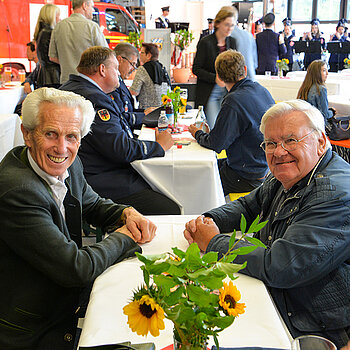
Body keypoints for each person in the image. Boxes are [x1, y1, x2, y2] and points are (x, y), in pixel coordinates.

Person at [184, 99, 350, 349]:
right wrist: (209, 220)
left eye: (291, 140)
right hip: (280, 295)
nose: (279, 151)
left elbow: (282, 266)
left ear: (321, 142)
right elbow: (248, 206)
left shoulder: (335, 193)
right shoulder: (293, 173)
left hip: (311, 321)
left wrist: (213, 241)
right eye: (270, 143)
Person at [0, 87, 157, 350]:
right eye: (50, 133)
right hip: (32, 328)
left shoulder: (68, 163)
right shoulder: (19, 191)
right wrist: (125, 237)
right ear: (27, 134)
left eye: (71, 136)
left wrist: (125, 213)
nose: (62, 147)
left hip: (62, 300)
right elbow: (77, 268)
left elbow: (92, 202)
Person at [60, 46, 180, 215]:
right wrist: (159, 146)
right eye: (115, 68)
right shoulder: (94, 98)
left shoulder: (74, 88)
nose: (118, 74)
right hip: (100, 179)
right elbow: (120, 149)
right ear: (102, 69)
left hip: (83, 174)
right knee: (172, 205)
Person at [189, 50, 273, 194]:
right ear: (245, 70)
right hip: (263, 167)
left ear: (219, 78)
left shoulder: (233, 101)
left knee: (197, 181)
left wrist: (197, 133)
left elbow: (216, 144)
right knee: (205, 166)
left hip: (246, 175)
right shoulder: (261, 90)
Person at [192, 6, 236, 129]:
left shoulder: (232, 42)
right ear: (218, 23)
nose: (229, 28)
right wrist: (215, 78)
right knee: (214, 127)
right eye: (227, 24)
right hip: (210, 93)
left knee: (226, 128)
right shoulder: (206, 42)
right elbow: (196, 68)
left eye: (232, 25)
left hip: (228, 93)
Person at [49, 0, 108, 84]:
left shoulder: (58, 26)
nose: (93, 10)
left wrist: (68, 62)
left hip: (66, 82)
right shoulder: (92, 27)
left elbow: (52, 57)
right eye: (92, 7)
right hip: (88, 82)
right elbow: (106, 56)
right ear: (84, 5)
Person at [113, 42, 155, 128]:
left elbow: (129, 111)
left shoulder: (120, 81)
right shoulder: (112, 84)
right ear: (119, 60)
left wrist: (146, 112)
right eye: (132, 64)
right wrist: (144, 114)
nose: (133, 69)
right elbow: (120, 117)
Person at [129, 43, 171, 110]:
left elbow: (134, 92)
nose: (140, 55)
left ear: (148, 55)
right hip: (164, 111)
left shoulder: (142, 69)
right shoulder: (162, 68)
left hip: (147, 112)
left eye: (142, 53)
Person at [297, 60, 336, 124]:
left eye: (327, 70)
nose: (327, 73)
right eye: (324, 70)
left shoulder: (305, 87)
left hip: (307, 123)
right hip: (318, 125)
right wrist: (332, 112)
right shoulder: (321, 89)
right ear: (316, 73)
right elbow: (324, 115)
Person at [33, 4, 61, 88]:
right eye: (58, 15)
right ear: (52, 16)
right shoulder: (49, 32)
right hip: (53, 76)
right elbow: (53, 56)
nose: (60, 19)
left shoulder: (42, 31)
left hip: (45, 76)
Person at [230, 5, 257, 80]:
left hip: (233, 81)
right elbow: (255, 63)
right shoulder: (248, 35)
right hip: (250, 79)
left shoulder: (227, 36)